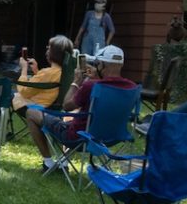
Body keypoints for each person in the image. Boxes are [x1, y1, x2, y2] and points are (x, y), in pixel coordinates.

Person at [23, 44, 138, 173]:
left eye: (97, 63)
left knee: (31, 113)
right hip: (113, 137)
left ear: (102, 65)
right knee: (74, 115)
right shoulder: (132, 88)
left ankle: (48, 164)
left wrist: (76, 82)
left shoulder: (91, 86)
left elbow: (66, 106)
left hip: (81, 137)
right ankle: (64, 162)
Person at [11, 35, 75, 117]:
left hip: (33, 108)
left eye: (49, 48)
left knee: (3, 93)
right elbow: (44, 86)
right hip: (51, 108)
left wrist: (24, 69)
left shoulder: (47, 73)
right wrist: (36, 71)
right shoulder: (67, 73)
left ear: (52, 53)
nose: (47, 51)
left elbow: (24, 91)